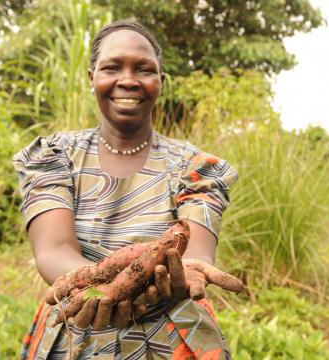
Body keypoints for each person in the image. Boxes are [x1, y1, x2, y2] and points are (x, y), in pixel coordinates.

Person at [13, 20, 240, 360]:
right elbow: (52, 249)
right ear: (92, 77)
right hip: (78, 328)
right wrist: (101, 290)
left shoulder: (195, 167)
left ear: (160, 81)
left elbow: (196, 253)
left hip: (174, 339)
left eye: (144, 69)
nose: (129, 80)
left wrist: (189, 269)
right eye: (112, 67)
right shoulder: (54, 156)